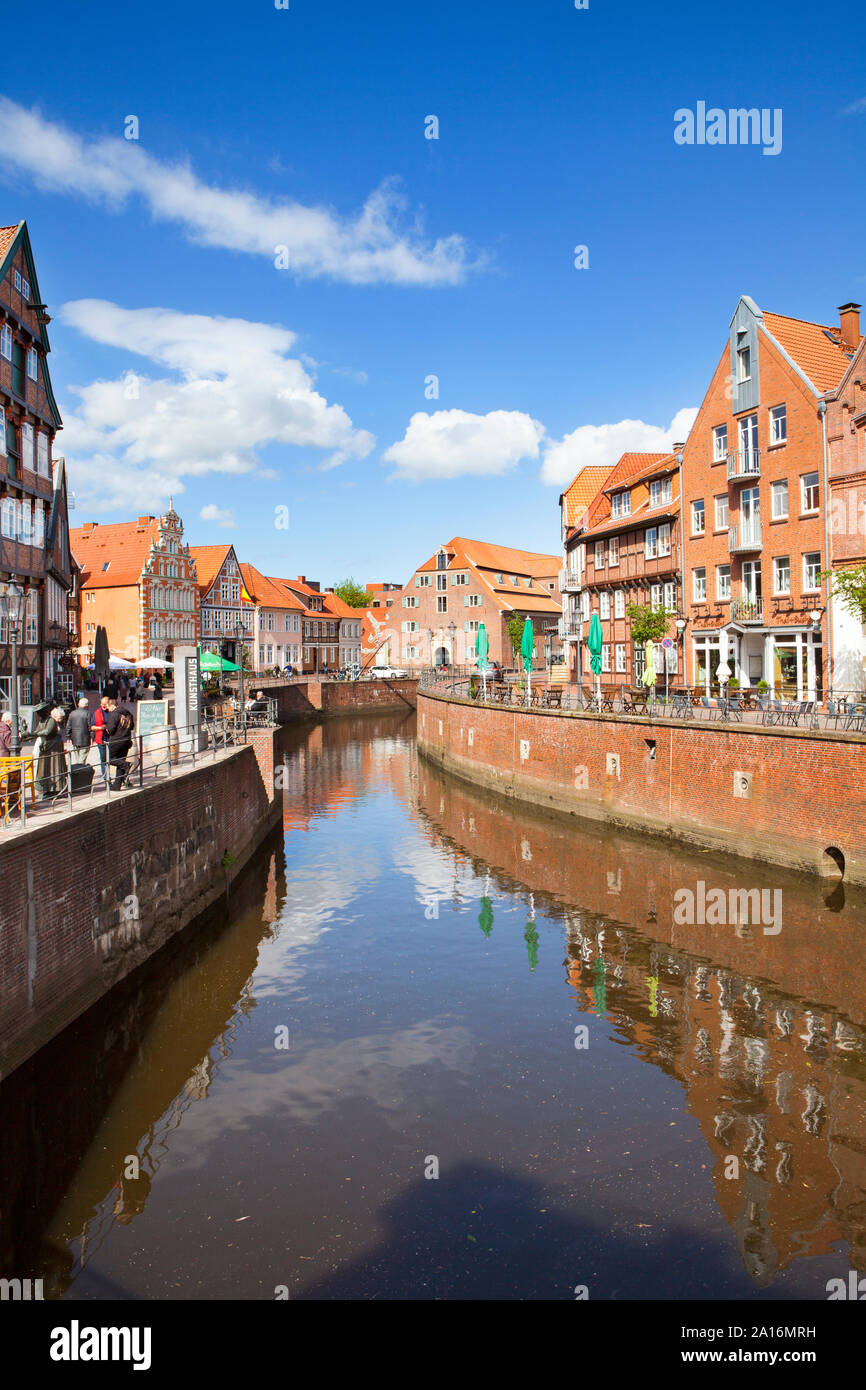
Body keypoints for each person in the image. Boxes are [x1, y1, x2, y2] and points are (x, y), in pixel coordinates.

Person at [34, 702, 66, 799]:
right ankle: (46, 788)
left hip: (54, 746)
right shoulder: (42, 720)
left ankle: (56, 788)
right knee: (45, 768)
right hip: (45, 746)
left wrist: (32, 734)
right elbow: (37, 732)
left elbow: (47, 732)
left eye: (40, 712)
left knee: (54, 767)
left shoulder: (51, 720)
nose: (38, 714)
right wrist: (26, 735)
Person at [67, 697, 92, 764]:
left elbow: (68, 726)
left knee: (77, 758)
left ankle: (78, 770)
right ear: (87, 705)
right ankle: (80, 771)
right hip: (85, 739)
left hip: (75, 738)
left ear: (78, 704)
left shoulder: (72, 713)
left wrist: (68, 737)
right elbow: (90, 727)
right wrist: (92, 737)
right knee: (82, 758)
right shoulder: (88, 713)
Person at [92, 695, 110, 785]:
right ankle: (106, 778)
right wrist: (100, 727)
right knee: (103, 759)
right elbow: (92, 727)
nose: (103, 706)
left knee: (111, 758)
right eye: (102, 704)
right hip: (101, 738)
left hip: (111, 738)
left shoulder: (112, 711)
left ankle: (115, 776)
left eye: (105, 704)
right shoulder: (97, 712)